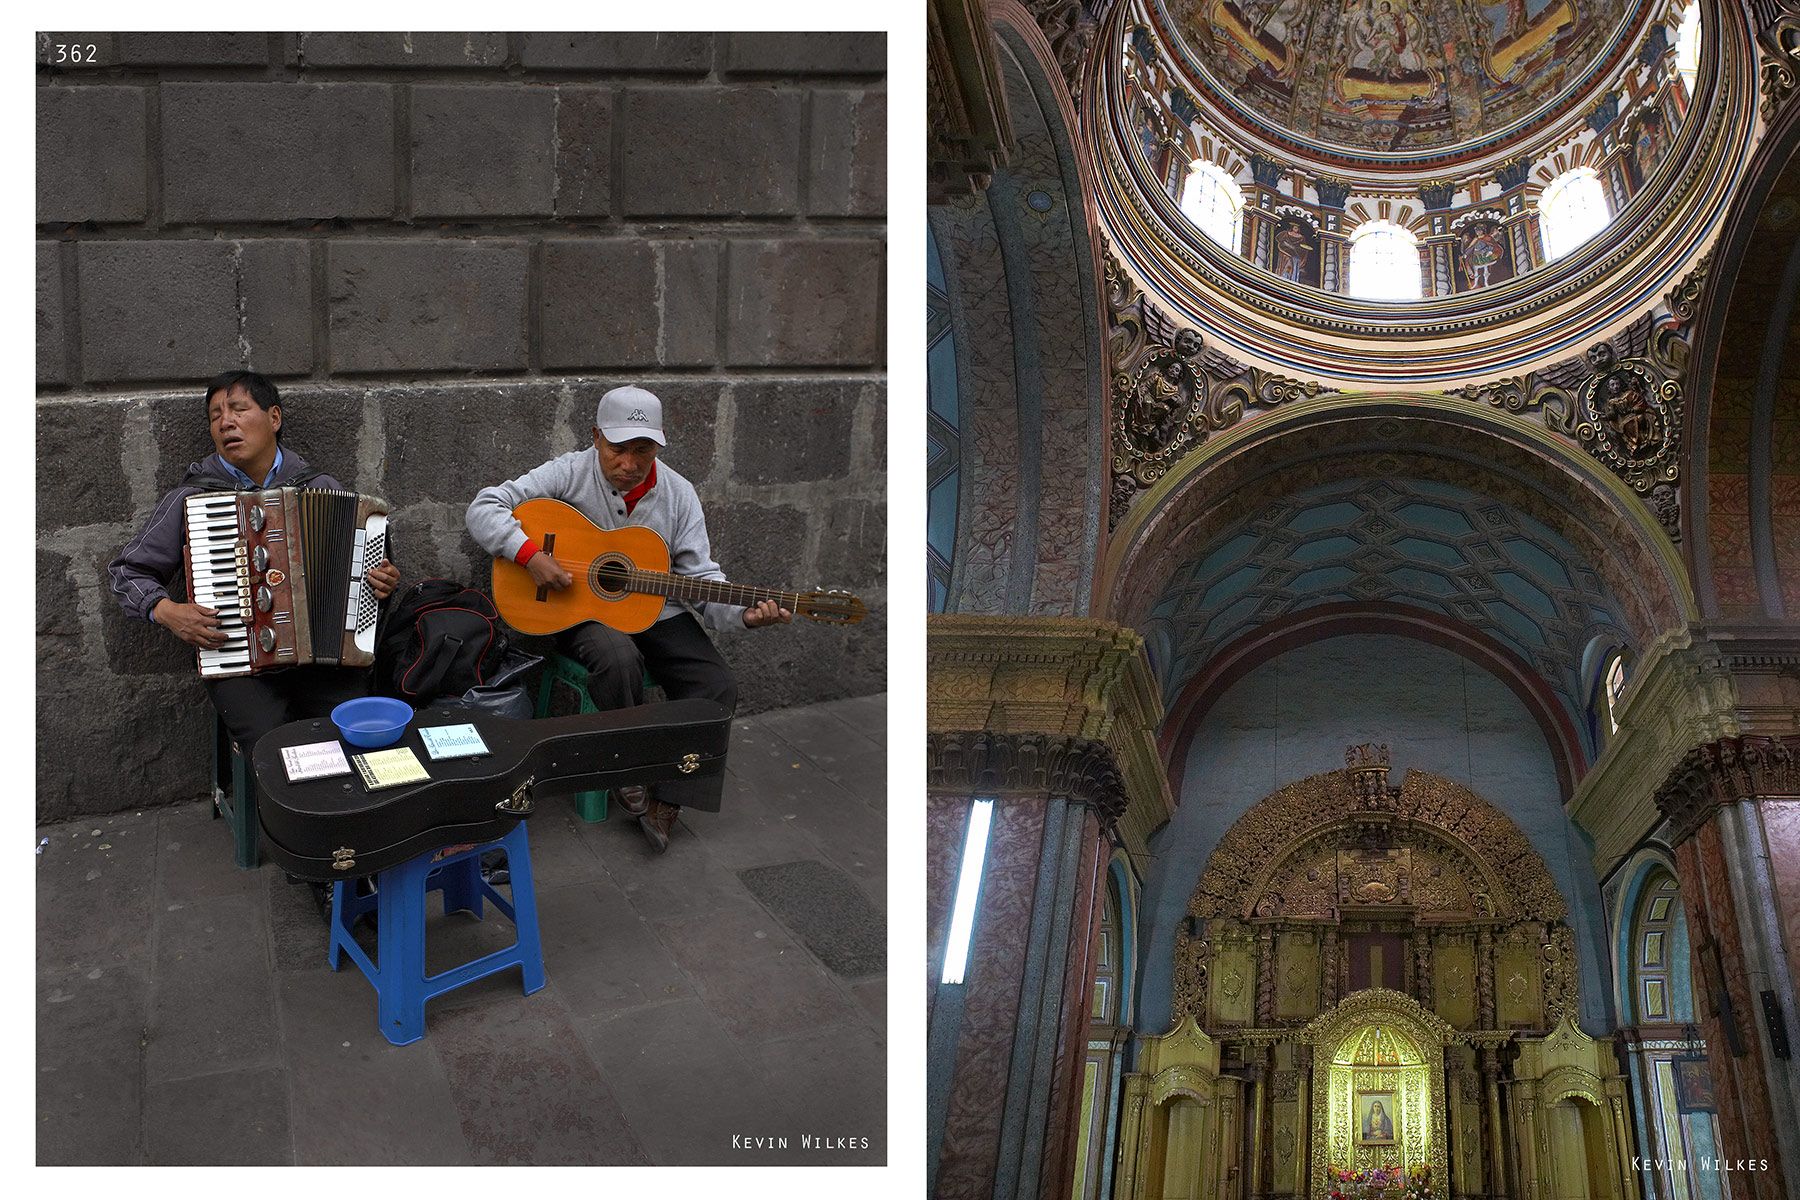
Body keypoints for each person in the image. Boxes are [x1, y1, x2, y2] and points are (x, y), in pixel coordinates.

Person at [465, 386, 793, 853]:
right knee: (617, 656)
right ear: (596, 437)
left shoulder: (678, 493)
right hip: (578, 610)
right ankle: (628, 767)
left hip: (659, 609)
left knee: (716, 683)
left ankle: (668, 798)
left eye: (643, 450)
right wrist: (529, 554)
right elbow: (484, 507)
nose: (630, 463)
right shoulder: (569, 472)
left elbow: (701, 578)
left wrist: (747, 616)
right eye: (618, 449)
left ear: (658, 446)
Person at [108, 370, 401, 755]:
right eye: (215, 416)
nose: (226, 422)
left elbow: (374, 567)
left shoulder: (319, 485)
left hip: (326, 661)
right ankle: (286, 813)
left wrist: (383, 580)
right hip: (240, 663)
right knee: (275, 751)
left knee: (354, 737)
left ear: (274, 418)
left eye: (239, 409)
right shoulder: (193, 499)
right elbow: (128, 572)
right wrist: (166, 611)